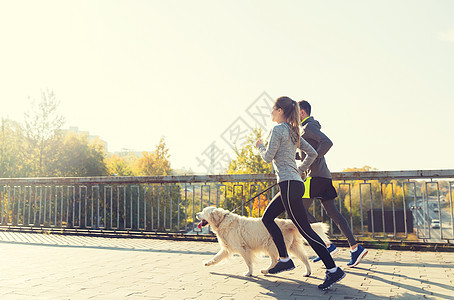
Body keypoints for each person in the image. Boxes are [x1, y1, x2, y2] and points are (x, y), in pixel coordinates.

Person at [255, 96, 345, 290]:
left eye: (273, 109)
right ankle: (285, 259)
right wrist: (301, 169)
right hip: (293, 183)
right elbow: (312, 153)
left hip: (289, 185)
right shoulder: (293, 131)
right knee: (268, 217)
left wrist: (260, 146)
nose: (271, 112)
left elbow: (267, 157)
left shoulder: (278, 129)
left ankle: (333, 269)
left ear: (280, 111)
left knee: (305, 229)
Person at [297, 100, 368, 268]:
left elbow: (327, 143)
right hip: (322, 176)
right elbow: (307, 154)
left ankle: (327, 246)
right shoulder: (305, 129)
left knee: (299, 209)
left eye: (295, 112)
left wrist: (313, 158)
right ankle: (354, 248)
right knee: (334, 213)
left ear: (302, 113)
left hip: (315, 178)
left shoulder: (308, 128)